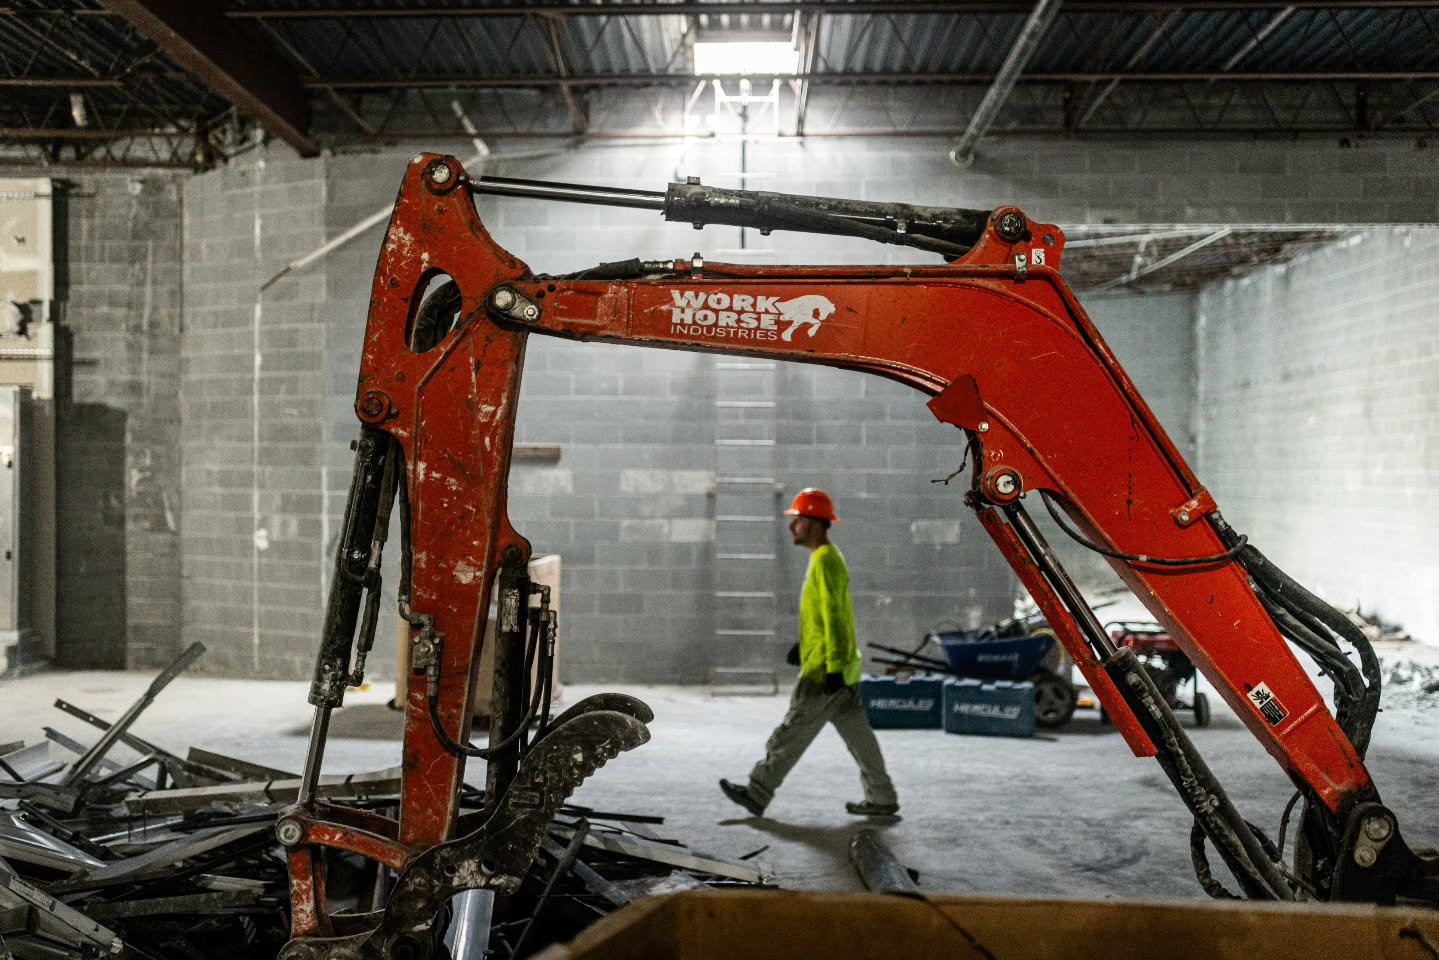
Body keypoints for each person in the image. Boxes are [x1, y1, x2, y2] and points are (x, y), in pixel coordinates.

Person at [719, 488, 900, 818]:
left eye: (798, 520)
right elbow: (826, 615)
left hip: (825, 672)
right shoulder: (827, 559)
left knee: (791, 733)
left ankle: (757, 792)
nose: (793, 526)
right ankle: (883, 797)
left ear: (815, 524)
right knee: (860, 738)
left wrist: (831, 667)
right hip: (840, 668)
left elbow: (835, 617)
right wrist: (804, 646)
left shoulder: (826, 561)